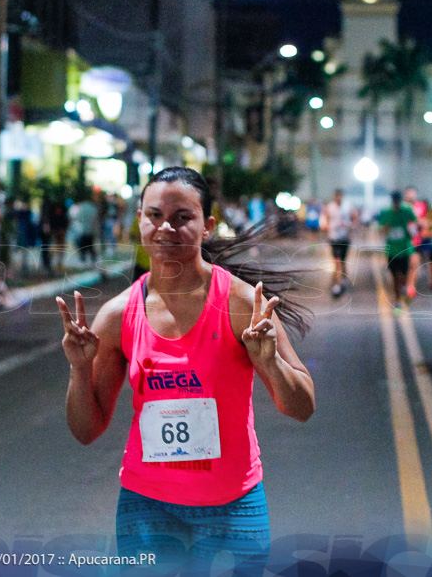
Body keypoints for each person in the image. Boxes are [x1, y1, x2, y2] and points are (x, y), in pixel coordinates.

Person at [57, 167, 314, 575]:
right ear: (138, 221)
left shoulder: (243, 304)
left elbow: (301, 406)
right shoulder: (118, 315)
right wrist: (78, 369)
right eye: (155, 215)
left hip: (233, 508)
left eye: (182, 217)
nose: (166, 228)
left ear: (207, 226)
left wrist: (269, 362)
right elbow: (86, 431)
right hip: (147, 508)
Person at [376, 191, 416, 310]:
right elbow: (380, 230)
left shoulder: (407, 211)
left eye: (398, 201)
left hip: (404, 249)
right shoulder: (386, 212)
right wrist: (385, 228)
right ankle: (397, 300)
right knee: (394, 276)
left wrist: (413, 233)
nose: (397, 204)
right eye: (395, 201)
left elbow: (413, 224)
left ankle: (403, 288)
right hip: (392, 250)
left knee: (402, 275)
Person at [321, 188, 357, 297]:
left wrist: (350, 226)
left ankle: (343, 278)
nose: (337, 198)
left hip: (345, 238)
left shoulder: (348, 206)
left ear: (342, 196)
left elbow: (355, 219)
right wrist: (326, 227)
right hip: (334, 238)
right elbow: (325, 220)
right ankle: (337, 284)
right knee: (337, 260)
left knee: (343, 261)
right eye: (336, 196)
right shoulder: (330, 207)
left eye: (339, 196)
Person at [403, 187, 427, 299]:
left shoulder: (420, 206)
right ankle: (404, 283)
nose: (411, 196)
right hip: (403, 242)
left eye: (413, 194)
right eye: (409, 194)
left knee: (414, 264)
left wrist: (420, 224)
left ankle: (411, 286)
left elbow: (424, 221)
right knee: (404, 266)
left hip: (416, 241)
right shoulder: (401, 207)